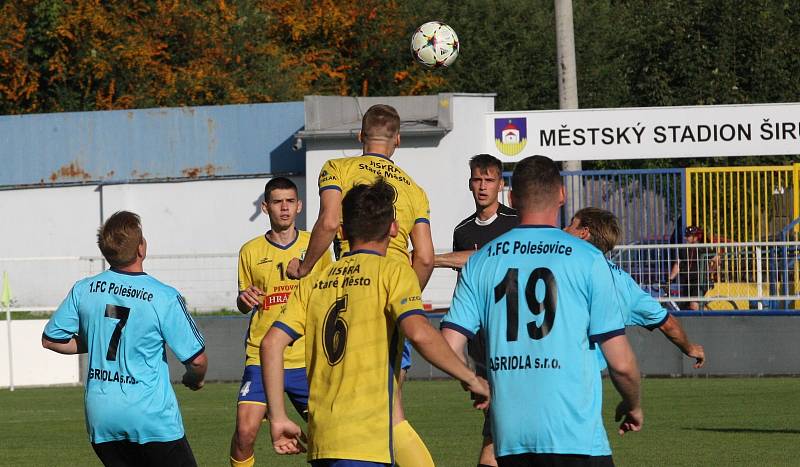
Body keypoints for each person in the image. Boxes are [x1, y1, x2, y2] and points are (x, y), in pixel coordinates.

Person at [261, 179, 490, 466]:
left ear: (342, 231)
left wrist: (279, 416)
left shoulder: (315, 280)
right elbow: (418, 333)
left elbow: (271, 343)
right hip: (367, 441)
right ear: (394, 229)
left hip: (324, 440)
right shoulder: (393, 272)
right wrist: (471, 378)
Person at [441, 155, 643, 467]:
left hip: (510, 442)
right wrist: (634, 404)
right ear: (562, 194)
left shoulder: (481, 261)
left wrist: (472, 380)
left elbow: (448, 346)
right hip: (578, 441)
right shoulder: (588, 259)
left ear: (511, 197)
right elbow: (622, 363)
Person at [285, 103, 436, 466]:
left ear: (359, 137)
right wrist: (404, 300)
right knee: (387, 405)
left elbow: (328, 221)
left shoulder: (339, 168)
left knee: (385, 410)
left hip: (351, 289)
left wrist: (305, 266)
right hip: (394, 288)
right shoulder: (413, 189)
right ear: (397, 140)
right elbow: (427, 256)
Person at [41, 211, 207, 467]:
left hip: (102, 416)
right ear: (141, 248)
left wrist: (96, 339)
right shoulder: (163, 296)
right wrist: (194, 379)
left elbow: (52, 340)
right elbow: (197, 361)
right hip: (151, 418)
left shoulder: (84, 289)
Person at [229, 177, 332, 467]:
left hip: (306, 357)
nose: (284, 208)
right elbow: (242, 302)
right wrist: (243, 299)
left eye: (289, 201)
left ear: (299, 206)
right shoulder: (250, 251)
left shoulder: (317, 245)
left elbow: (328, 298)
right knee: (245, 431)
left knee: (327, 433)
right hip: (260, 356)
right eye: (277, 202)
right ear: (266, 207)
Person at [434, 153, 518, 467]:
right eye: (477, 180)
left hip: (514, 335)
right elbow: (464, 287)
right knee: (501, 427)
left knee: (501, 428)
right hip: (482, 341)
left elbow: (488, 260)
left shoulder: (516, 223)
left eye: (489, 180)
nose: (482, 186)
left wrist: (435, 258)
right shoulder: (464, 231)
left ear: (500, 184)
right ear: (470, 183)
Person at [564, 207, 705, 368]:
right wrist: (690, 348)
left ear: (584, 232)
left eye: (571, 224)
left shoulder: (558, 264)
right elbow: (668, 324)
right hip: (585, 376)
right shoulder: (623, 281)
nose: (564, 229)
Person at [668, 225, 717, 310]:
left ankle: (701, 322)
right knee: (685, 306)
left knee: (694, 305)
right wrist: (670, 280)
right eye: (686, 235)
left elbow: (717, 260)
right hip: (687, 281)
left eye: (688, 236)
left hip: (699, 281)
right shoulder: (683, 249)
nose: (685, 238)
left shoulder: (703, 248)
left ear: (696, 237)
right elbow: (677, 265)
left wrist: (710, 272)